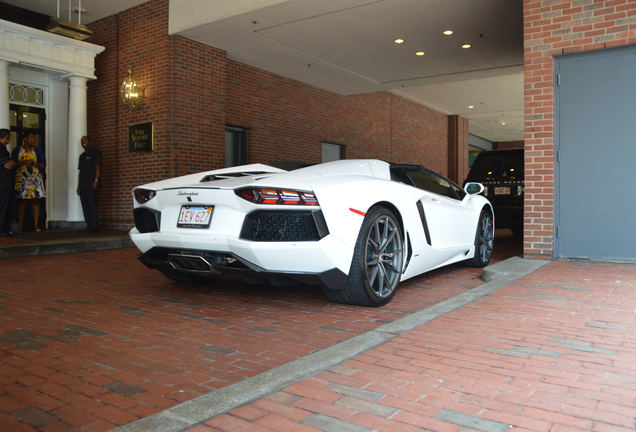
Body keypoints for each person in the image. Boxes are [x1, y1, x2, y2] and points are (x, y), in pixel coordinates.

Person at [12, 132, 46, 233]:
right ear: (25, 139)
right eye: (31, 138)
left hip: (34, 179)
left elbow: (43, 164)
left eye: (34, 138)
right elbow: (13, 163)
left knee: (35, 201)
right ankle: (20, 225)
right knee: (21, 202)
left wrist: (34, 163)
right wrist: (23, 162)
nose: (33, 140)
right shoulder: (17, 150)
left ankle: (36, 225)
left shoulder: (38, 151)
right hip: (22, 179)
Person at [76, 136, 101, 233]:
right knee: (85, 205)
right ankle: (88, 224)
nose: (83, 142)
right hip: (83, 185)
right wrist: (78, 186)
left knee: (92, 205)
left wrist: (96, 180)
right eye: (82, 141)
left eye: (85, 140)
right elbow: (80, 172)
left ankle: (94, 225)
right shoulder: (81, 156)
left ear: (90, 141)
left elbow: (98, 168)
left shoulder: (96, 153)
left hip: (92, 184)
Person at [0, 129, 17, 236]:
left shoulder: (3, 148)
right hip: (4, 182)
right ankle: (3, 229)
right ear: (5, 137)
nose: (10, 139)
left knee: (6, 205)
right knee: (4, 206)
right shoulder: (1, 149)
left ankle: (5, 228)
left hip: (5, 182)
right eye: (9, 137)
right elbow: (7, 165)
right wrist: (13, 162)